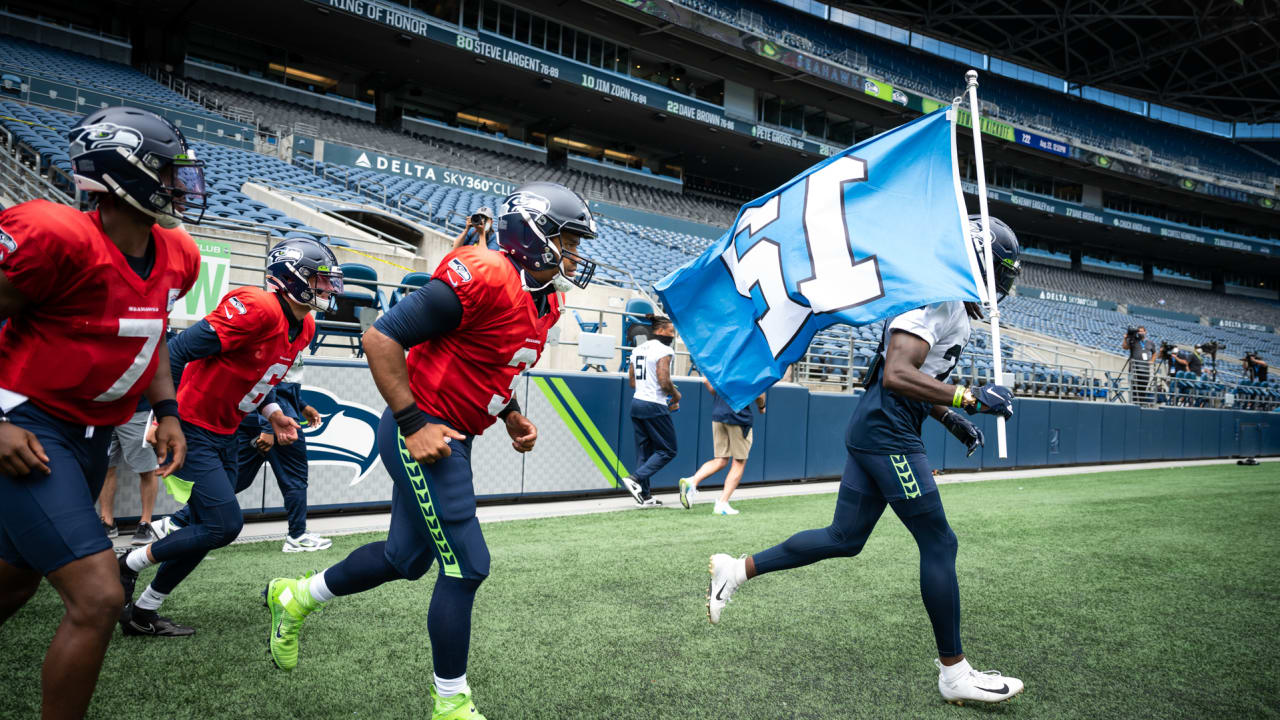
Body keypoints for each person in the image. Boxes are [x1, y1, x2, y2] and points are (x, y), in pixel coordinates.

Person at [262, 181, 602, 720]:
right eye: (568, 240)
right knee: (468, 566)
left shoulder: (548, 301)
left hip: (453, 435)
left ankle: (296, 597)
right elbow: (381, 338)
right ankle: (450, 703)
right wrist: (413, 422)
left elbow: (492, 365)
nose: (576, 254)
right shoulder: (487, 274)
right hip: (422, 434)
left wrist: (510, 415)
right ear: (534, 235)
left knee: (405, 559)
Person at [706, 215, 1025, 706]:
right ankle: (954, 672)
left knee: (844, 538)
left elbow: (899, 374)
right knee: (939, 543)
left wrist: (949, 417)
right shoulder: (936, 296)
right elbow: (897, 372)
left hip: (881, 426)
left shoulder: (945, 301)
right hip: (887, 434)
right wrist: (970, 398)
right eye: (999, 274)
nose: (999, 288)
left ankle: (736, 569)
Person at [0, 105, 201, 719]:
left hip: (90, 438)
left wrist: (165, 408)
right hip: (30, 424)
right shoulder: (56, 237)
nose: (179, 187)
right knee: (97, 596)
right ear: (125, 173)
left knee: (13, 581)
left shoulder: (176, 254)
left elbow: (151, 334)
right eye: (168, 173)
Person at [116, 237, 337, 637]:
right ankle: (127, 564)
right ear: (291, 277)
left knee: (206, 526)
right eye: (319, 280)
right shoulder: (258, 307)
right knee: (223, 525)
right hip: (192, 426)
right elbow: (178, 350)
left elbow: (258, 377)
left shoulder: (303, 325)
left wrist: (273, 414)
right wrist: (163, 416)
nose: (327, 289)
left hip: (227, 430)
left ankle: (144, 611)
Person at [159, 353, 331, 553]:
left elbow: (284, 380)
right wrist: (267, 427)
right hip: (274, 417)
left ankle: (177, 522)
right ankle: (297, 535)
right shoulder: (279, 330)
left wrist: (302, 405)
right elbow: (268, 379)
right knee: (295, 476)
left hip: (258, 414)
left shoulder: (299, 330)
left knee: (239, 478)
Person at [678, 379, 766, 515]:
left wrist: (720, 396)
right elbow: (760, 395)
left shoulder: (724, 361)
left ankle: (692, 482)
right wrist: (762, 406)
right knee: (739, 462)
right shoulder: (749, 363)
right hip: (739, 417)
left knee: (720, 460)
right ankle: (722, 504)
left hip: (719, 413)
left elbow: (707, 380)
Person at [622, 315, 680, 507]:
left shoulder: (638, 349)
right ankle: (635, 479)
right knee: (668, 449)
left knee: (644, 452)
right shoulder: (664, 350)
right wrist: (676, 395)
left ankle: (645, 496)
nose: (672, 335)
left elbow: (632, 382)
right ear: (660, 330)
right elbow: (664, 381)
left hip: (637, 402)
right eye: (671, 331)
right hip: (654, 404)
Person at [98, 396, 161, 545]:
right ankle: (107, 522)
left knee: (146, 469)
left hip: (136, 410)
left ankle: (146, 523)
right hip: (102, 411)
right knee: (105, 467)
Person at [1121, 326, 1155, 404]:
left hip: (1145, 369)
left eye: (1142, 331)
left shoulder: (1150, 343)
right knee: (1134, 390)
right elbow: (1125, 347)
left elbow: (1154, 353)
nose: (1140, 333)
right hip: (1134, 369)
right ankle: (1134, 405)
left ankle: (1141, 405)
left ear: (1145, 332)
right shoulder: (1133, 340)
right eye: (1139, 331)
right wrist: (1125, 338)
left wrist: (1152, 361)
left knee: (1143, 390)